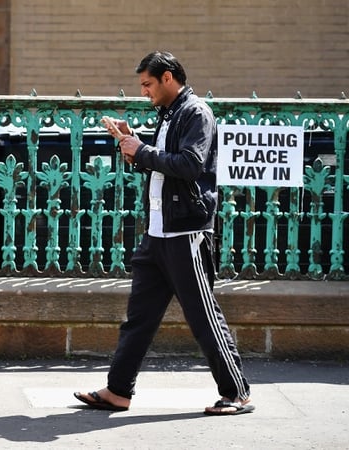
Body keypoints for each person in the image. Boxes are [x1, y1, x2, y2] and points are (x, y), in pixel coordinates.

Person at [75, 51, 254, 416]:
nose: (144, 92)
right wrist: (133, 144)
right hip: (158, 232)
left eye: (148, 84)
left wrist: (142, 151)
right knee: (139, 318)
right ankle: (118, 391)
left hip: (186, 232)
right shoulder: (169, 114)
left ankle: (236, 393)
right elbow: (163, 165)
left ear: (168, 77)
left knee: (203, 316)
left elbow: (190, 165)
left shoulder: (196, 113)